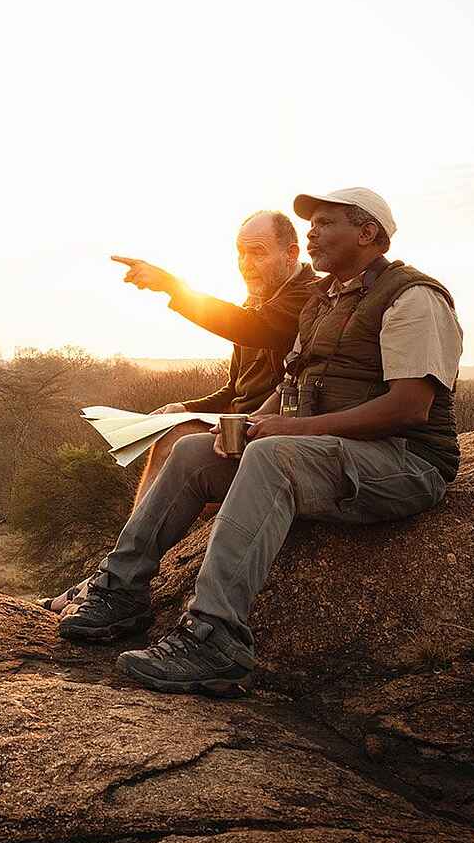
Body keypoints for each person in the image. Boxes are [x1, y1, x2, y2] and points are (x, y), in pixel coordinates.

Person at [57, 187, 463, 697]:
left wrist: (286, 431)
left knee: (273, 455)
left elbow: (409, 408)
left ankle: (214, 638)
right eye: (310, 223)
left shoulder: (413, 297)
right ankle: (121, 590)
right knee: (192, 450)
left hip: (404, 462)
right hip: (330, 453)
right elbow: (288, 384)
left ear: (368, 233)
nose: (312, 232)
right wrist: (249, 424)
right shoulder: (323, 299)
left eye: (326, 222)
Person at [41, 211, 316, 622]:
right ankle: (113, 574)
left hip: (271, 435)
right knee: (173, 427)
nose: (246, 264)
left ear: (291, 253)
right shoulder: (257, 302)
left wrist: (174, 287)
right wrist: (187, 406)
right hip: (237, 429)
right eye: (240, 253)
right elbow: (234, 391)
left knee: (178, 441)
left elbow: (256, 330)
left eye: (257, 253)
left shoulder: (306, 298)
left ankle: (115, 582)